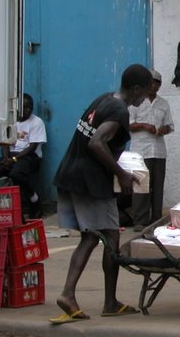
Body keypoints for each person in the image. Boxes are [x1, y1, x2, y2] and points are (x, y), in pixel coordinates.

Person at [50, 64, 152, 323]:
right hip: (90, 181)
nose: (145, 99)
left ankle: (104, 300)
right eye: (145, 93)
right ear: (136, 89)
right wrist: (120, 173)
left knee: (95, 236)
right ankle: (76, 295)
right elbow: (96, 142)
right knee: (103, 237)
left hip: (71, 173)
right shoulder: (119, 110)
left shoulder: (104, 99)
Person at [0, 92, 47, 220]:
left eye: (30, 107)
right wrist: (6, 158)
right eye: (25, 107)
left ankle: (34, 200)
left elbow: (32, 147)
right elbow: (5, 143)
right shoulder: (10, 121)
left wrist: (14, 160)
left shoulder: (36, 122)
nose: (28, 110)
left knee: (16, 174)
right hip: (12, 156)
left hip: (30, 156)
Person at [128, 70, 174, 228]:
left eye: (156, 83)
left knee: (157, 186)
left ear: (159, 85)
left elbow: (170, 125)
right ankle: (140, 221)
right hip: (141, 151)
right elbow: (128, 125)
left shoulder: (163, 103)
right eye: (150, 82)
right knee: (141, 185)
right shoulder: (135, 102)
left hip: (159, 151)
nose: (153, 85)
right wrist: (144, 125)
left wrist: (164, 129)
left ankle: (156, 219)